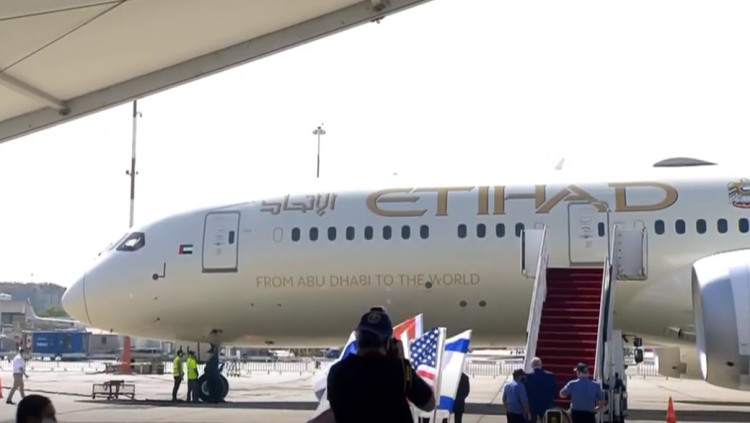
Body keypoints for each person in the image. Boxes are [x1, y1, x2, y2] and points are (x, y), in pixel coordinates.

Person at [327, 306, 436, 423]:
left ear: (358, 339)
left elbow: (335, 409)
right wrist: (403, 363)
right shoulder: (399, 370)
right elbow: (428, 404)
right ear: (388, 342)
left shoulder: (337, 371)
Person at [524, 357, 557, 422]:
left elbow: (526, 391)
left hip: (532, 404)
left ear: (532, 365)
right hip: (547, 403)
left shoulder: (528, 377)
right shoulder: (550, 375)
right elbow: (554, 389)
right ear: (541, 365)